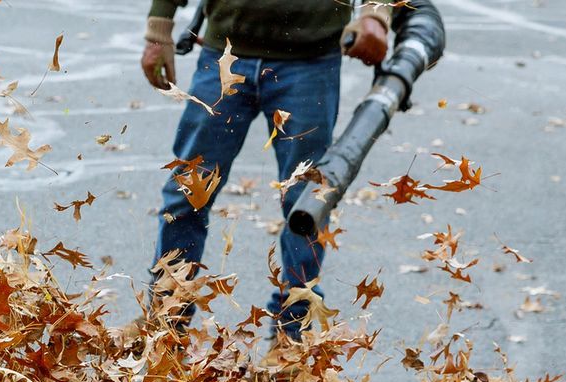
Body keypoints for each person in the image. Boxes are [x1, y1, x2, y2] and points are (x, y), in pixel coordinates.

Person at [143, 0, 392, 341]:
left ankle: (292, 334)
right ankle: (166, 325)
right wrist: (158, 32)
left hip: (310, 60)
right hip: (226, 55)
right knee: (187, 193)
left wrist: (375, 13)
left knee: (306, 206)